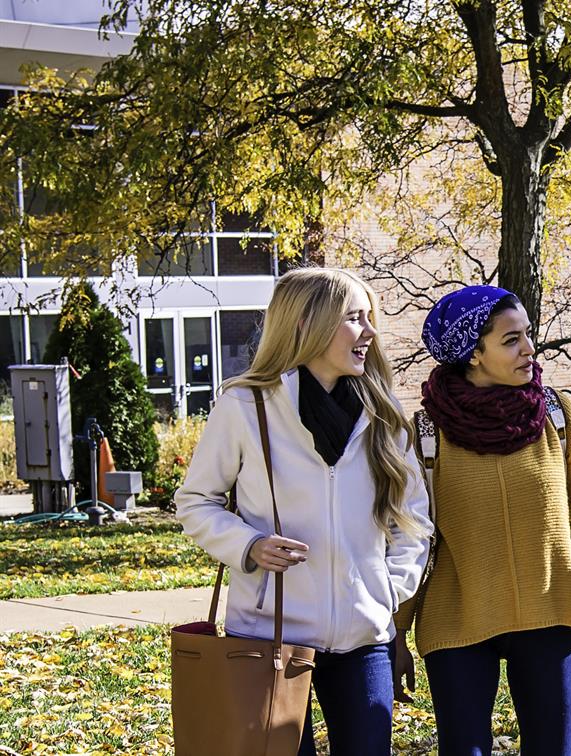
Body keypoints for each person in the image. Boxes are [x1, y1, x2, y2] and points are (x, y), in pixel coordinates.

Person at [177, 267, 433, 756]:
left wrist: (384, 587)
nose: (369, 332)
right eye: (354, 318)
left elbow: (413, 521)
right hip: (267, 637)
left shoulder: (383, 414)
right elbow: (195, 501)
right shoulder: (245, 406)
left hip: (362, 638)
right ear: (307, 324)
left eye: (368, 318)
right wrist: (248, 545)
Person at [390, 285, 571, 755]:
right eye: (511, 340)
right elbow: (411, 538)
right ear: (473, 354)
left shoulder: (556, 414)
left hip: (550, 613)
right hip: (457, 621)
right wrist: (397, 631)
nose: (529, 349)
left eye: (528, 335)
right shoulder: (425, 435)